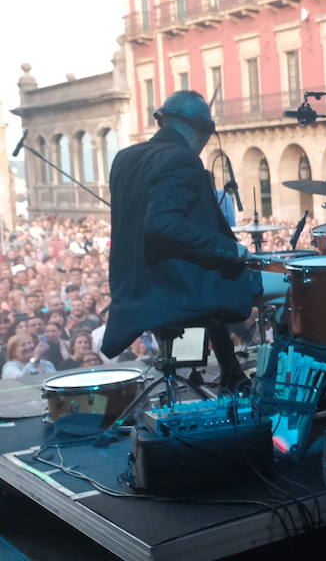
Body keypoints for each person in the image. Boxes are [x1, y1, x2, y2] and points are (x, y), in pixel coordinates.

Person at [102, 90, 261, 387]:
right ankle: (284, 378)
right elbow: (162, 224)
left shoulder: (125, 158)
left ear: (161, 120)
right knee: (281, 286)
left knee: (216, 275)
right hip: (170, 289)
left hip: (134, 287)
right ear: (204, 131)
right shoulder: (182, 159)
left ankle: (232, 372)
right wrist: (231, 249)